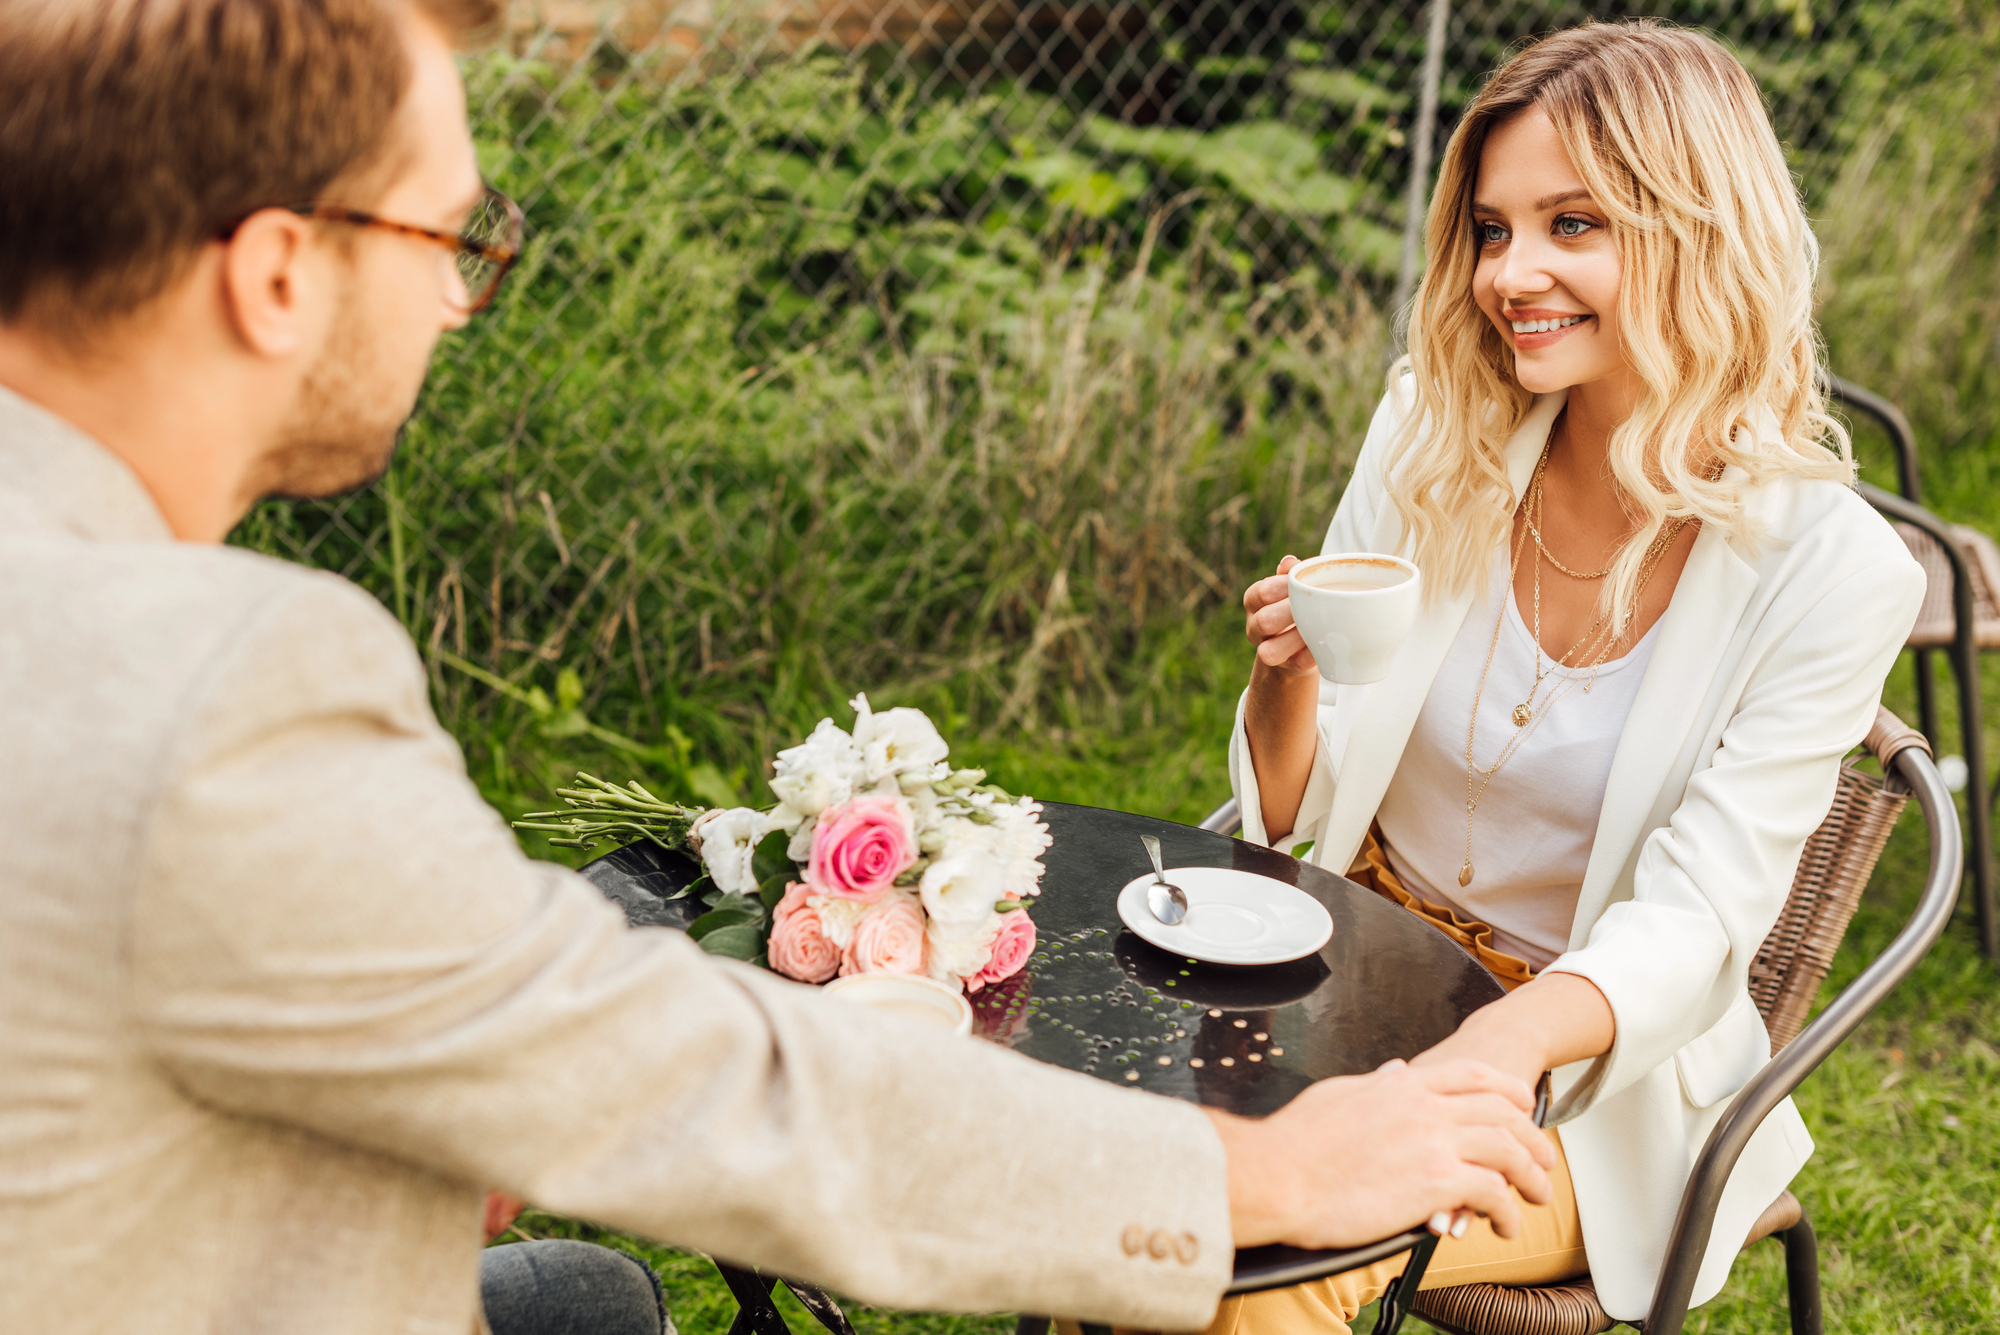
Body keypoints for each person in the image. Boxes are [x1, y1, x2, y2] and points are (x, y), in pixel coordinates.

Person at [0, 2, 1557, 1332]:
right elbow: (701, 1096)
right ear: (275, 272)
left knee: (595, 1300)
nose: (455, 300)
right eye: (444, 238)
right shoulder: (225, 682)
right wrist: (1278, 1170)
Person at [1224, 20, 1925, 1335]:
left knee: (1270, 1270)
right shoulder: (1435, 427)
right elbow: (1297, 811)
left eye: (1573, 225)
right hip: (1342, 950)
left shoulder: (1835, 573)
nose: (1509, 274)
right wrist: (1285, 686)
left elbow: (1701, 919)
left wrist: (1488, 1050)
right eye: (1492, 229)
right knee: (1143, 1184)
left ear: (1699, 229)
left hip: (1579, 1077)